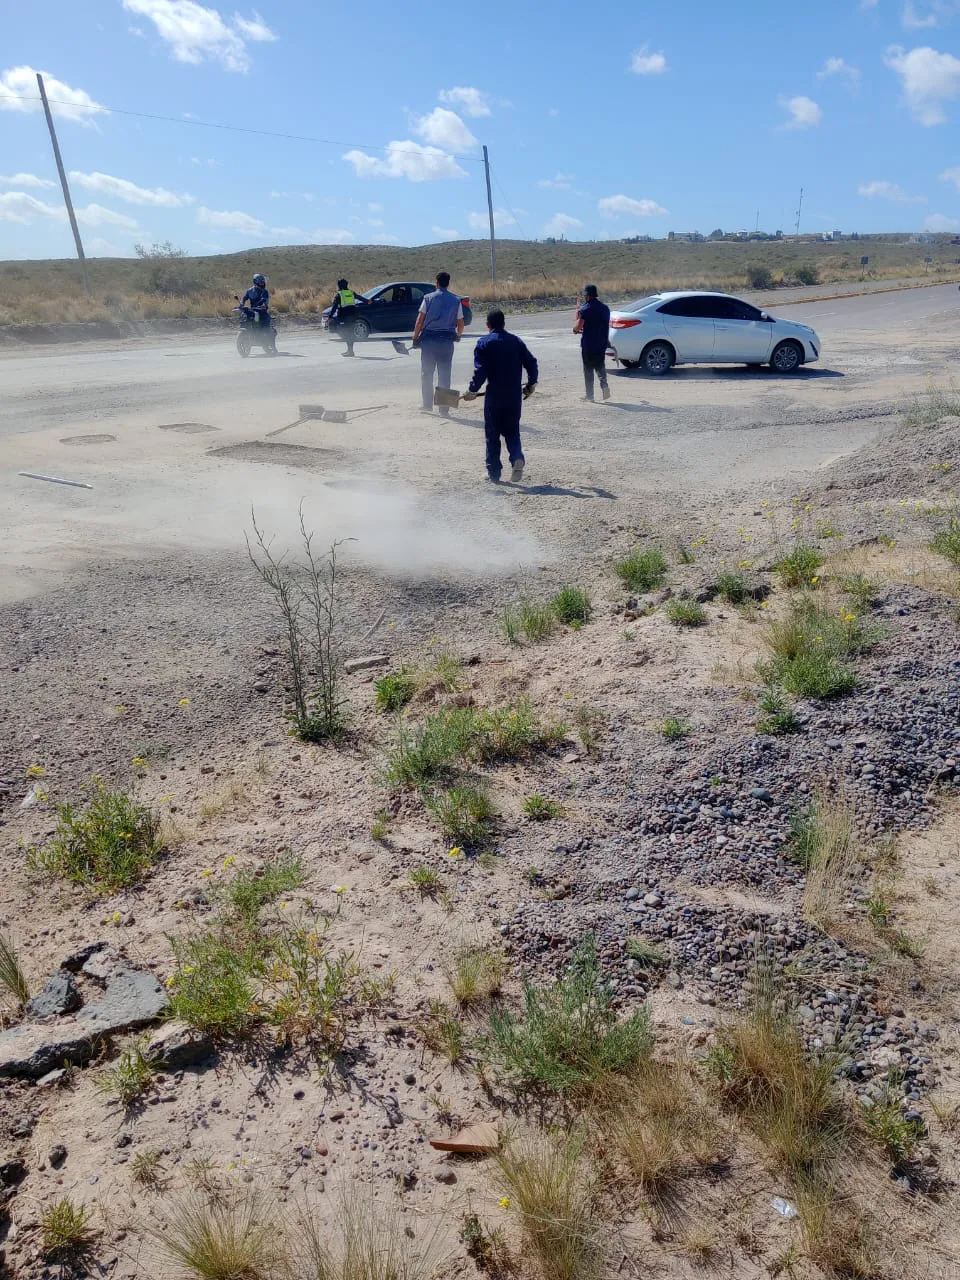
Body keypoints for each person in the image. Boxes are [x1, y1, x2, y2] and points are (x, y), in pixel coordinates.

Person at [463, 309, 538, 484]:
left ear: (488, 325)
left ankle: (494, 472)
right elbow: (531, 362)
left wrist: (472, 390)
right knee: (512, 431)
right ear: (504, 323)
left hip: (494, 396)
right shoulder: (515, 341)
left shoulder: (484, 343)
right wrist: (531, 384)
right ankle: (517, 457)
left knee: (492, 433)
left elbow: (480, 370)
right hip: (513, 396)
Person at [411, 270, 464, 417]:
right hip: (447, 342)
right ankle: (444, 409)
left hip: (429, 342)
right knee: (445, 374)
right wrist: (458, 336)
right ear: (448, 283)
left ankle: (427, 405)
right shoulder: (455, 300)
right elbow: (460, 323)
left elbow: (420, 320)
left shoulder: (428, 298)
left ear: (437, 283)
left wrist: (415, 337)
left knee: (427, 373)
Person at [573, 283, 611, 401]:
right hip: (602, 343)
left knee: (588, 370)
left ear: (587, 296)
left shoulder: (585, 309)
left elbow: (579, 326)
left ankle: (590, 396)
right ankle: (604, 386)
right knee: (600, 366)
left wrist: (574, 329)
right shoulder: (605, 309)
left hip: (589, 345)